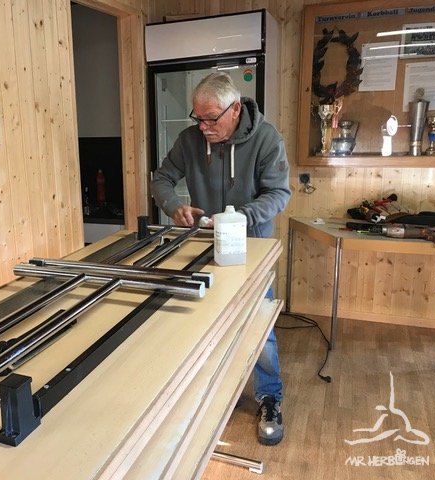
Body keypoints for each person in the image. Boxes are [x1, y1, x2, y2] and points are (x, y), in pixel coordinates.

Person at [151, 72, 291, 445]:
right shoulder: (190, 140)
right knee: (203, 324)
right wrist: (174, 205)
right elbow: (161, 179)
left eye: (211, 118)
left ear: (235, 109)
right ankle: (212, 394)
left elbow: (279, 194)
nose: (203, 127)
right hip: (204, 247)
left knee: (259, 326)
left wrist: (240, 217)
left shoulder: (266, 139)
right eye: (198, 118)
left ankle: (269, 397)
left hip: (251, 247)